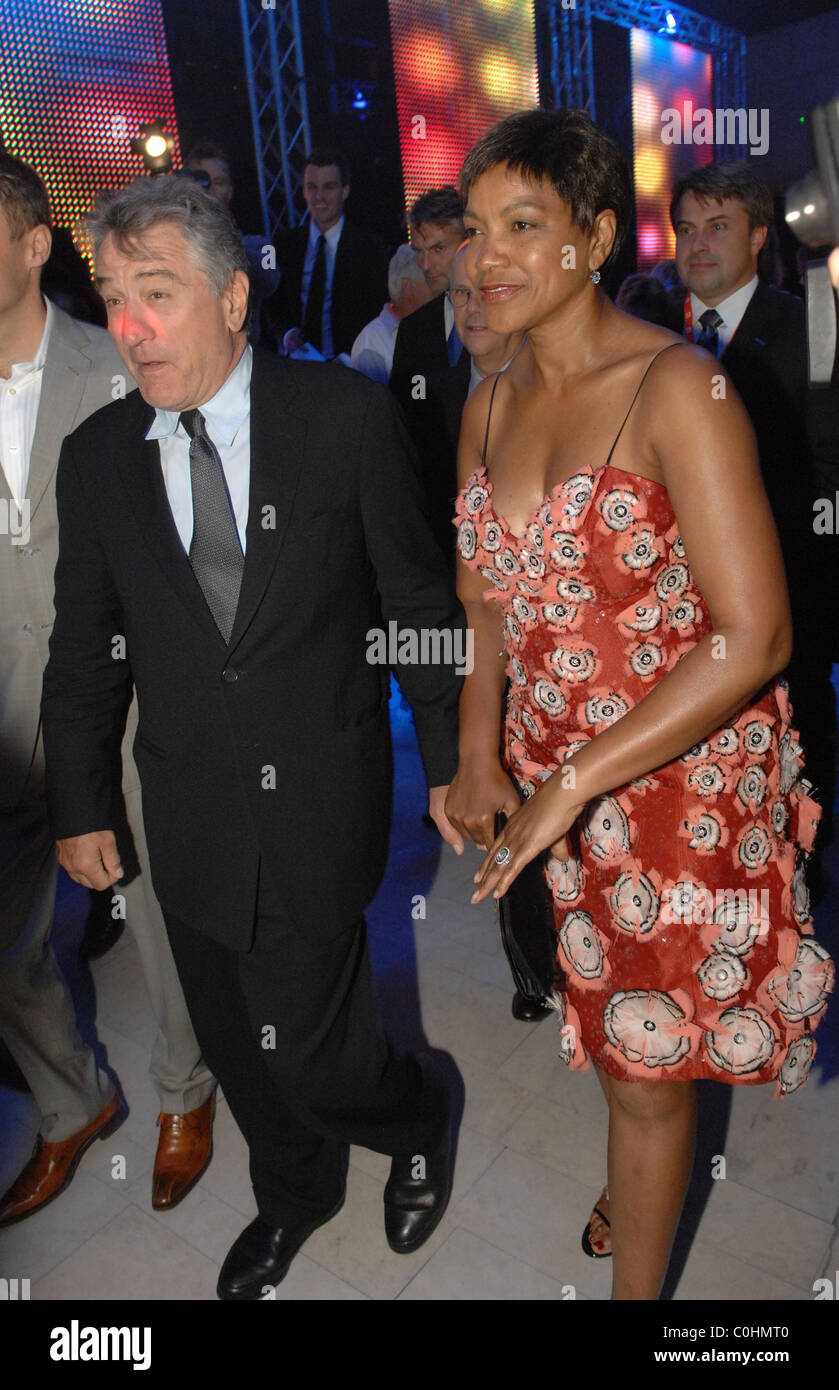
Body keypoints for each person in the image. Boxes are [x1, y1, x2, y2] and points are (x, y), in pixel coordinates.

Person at [40, 174, 464, 1300]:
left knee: (320, 1047)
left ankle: (415, 1114)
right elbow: (84, 648)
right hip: (186, 811)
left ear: (232, 299)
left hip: (321, 794)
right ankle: (295, 1190)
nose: (128, 326)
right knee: (236, 1040)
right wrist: (79, 799)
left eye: (157, 294)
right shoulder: (97, 460)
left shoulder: (340, 418)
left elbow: (419, 606)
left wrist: (456, 766)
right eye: (113, 296)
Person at [445, 108, 833, 1302]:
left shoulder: (679, 386)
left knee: (647, 1070)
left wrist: (569, 781)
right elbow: (486, 607)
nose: (485, 256)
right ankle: (642, 1157)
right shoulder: (489, 396)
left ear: (594, 236)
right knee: (620, 1038)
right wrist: (477, 749)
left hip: (675, 784)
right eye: (471, 228)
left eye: (524, 224)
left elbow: (755, 633)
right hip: (559, 790)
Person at [0, 154, 215, 1229]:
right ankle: (66, 1102)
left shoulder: (123, 362)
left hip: (119, 692)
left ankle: (186, 1092)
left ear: (35, 244)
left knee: (159, 912)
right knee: (5, 939)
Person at [671, 161, 839, 856]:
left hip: (784, 596)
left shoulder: (810, 328)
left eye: (717, 227)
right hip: (675, 608)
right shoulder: (645, 329)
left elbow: (829, 465)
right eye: (685, 229)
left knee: (793, 775)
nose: (697, 244)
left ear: (759, 236)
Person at [269, 146, 388, 359]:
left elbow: (379, 311)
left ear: (346, 190)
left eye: (329, 187)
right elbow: (273, 302)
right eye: (312, 187)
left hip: (353, 369)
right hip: (299, 370)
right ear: (303, 191)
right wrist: (287, 333)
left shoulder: (370, 249)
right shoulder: (285, 245)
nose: (319, 197)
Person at [184, 140, 280, 346]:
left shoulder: (259, 244)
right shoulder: (177, 247)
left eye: (218, 182)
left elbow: (271, 278)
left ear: (230, 190)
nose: (209, 191)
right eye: (202, 182)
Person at [390, 187, 467, 397]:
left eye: (438, 248)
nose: (424, 264)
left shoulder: (508, 318)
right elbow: (405, 413)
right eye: (418, 251)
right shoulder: (412, 332)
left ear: (469, 241)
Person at [350, 242, 430, 383]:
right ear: (409, 287)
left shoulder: (432, 328)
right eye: (430, 280)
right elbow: (373, 404)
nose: (439, 287)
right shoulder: (372, 344)